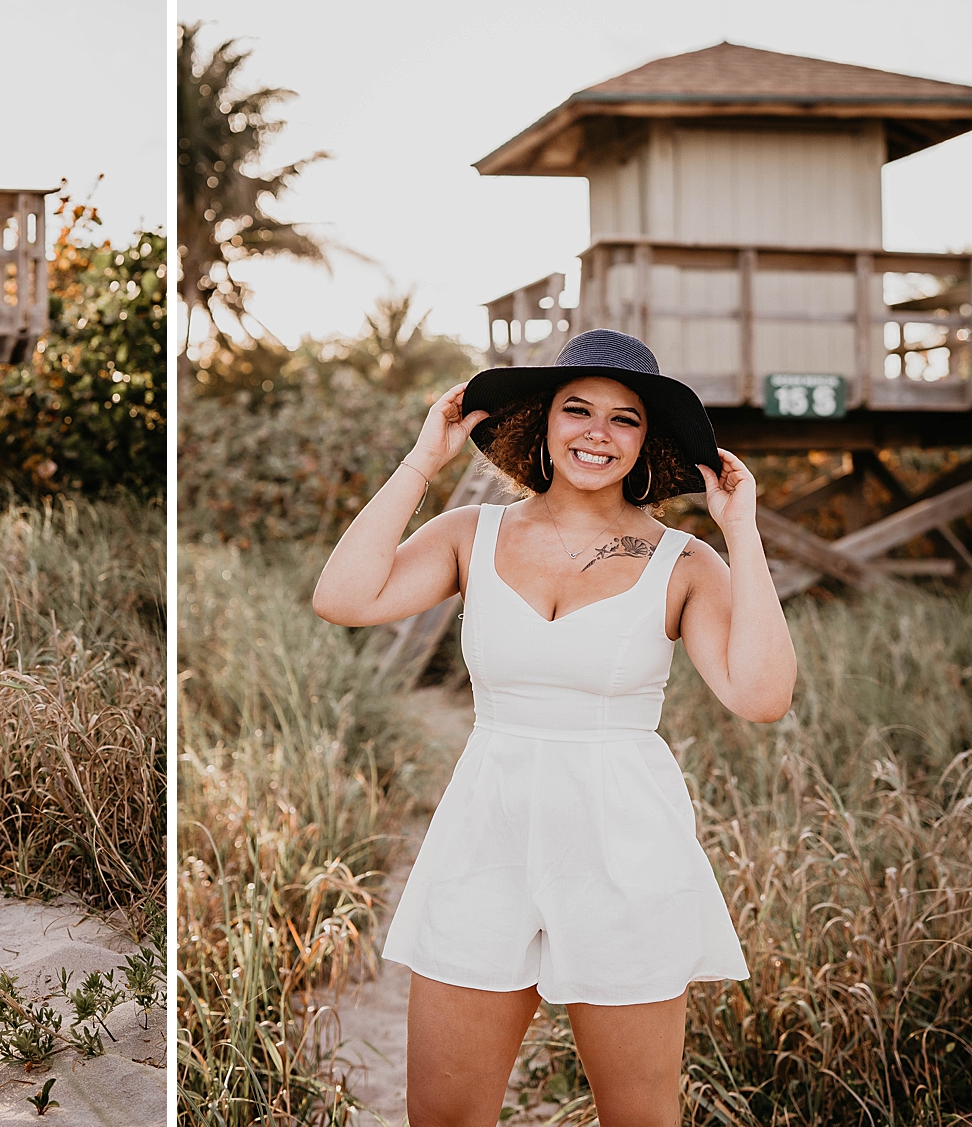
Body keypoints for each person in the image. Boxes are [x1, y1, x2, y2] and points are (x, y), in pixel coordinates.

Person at [313, 328, 796, 1127]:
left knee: (637, 1118)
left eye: (624, 419)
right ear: (543, 423)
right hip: (485, 834)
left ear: (647, 443)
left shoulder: (685, 563)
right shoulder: (474, 533)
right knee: (443, 1115)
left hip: (624, 846)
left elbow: (762, 694)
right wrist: (421, 463)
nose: (597, 434)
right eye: (577, 410)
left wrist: (741, 532)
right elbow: (344, 598)